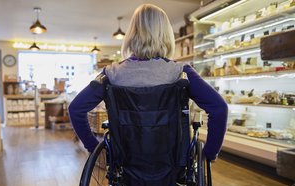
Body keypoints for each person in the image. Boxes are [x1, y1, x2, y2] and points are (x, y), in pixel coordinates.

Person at [68, 4, 228, 162]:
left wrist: (93, 146)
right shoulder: (181, 72)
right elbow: (219, 108)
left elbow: (76, 108)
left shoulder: (111, 74)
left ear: (132, 33)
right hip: (171, 157)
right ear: (165, 34)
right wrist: (209, 154)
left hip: (125, 157)